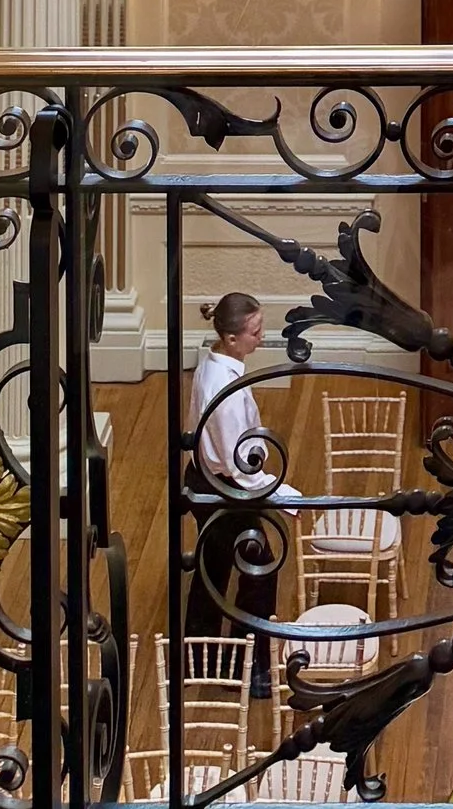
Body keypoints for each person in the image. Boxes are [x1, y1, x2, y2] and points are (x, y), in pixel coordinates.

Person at [187, 288, 283, 687]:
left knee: (214, 566)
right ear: (231, 338)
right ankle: (251, 666)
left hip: (208, 481)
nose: (262, 337)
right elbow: (235, 464)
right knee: (259, 570)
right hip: (224, 488)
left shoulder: (216, 364)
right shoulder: (222, 388)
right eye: (255, 332)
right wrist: (279, 493)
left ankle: (200, 656)